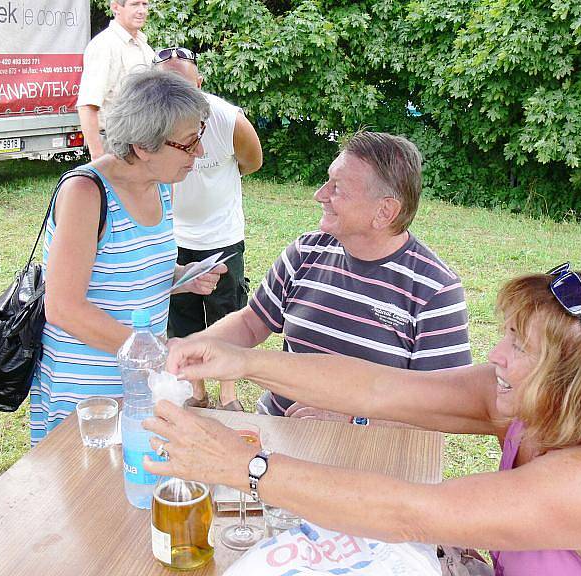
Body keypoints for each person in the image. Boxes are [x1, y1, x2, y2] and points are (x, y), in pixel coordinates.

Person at [153, 266, 581, 576]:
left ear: (575, 379)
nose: (495, 355)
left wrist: (245, 466)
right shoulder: (539, 404)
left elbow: (409, 514)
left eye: (520, 346)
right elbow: (381, 388)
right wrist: (245, 361)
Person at [177, 131, 472, 420]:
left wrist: (355, 419)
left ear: (384, 211)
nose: (320, 194)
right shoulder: (306, 251)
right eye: (327, 181)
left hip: (370, 454)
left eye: (338, 188)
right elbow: (251, 323)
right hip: (282, 430)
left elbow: (447, 406)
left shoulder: (435, 289)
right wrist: (191, 347)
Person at [30, 69, 226, 445]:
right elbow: (64, 308)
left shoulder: (162, 187)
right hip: (88, 396)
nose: (198, 152)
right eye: (187, 144)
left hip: (140, 383)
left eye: (197, 137)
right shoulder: (86, 194)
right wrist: (151, 354)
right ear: (142, 146)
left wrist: (183, 278)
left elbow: (131, 274)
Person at [154, 46, 263, 411]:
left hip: (222, 237)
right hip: (173, 239)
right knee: (181, 322)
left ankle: (229, 396)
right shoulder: (149, 125)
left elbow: (253, 161)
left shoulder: (228, 119)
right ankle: (196, 394)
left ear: (200, 84)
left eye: (185, 86)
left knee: (227, 318)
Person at [77, 0, 155, 160]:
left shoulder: (144, 46)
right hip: (115, 145)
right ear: (115, 7)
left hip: (143, 142)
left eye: (145, 4)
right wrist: (98, 158)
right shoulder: (104, 46)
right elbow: (87, 106)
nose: (141, 10)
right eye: (135, 4)